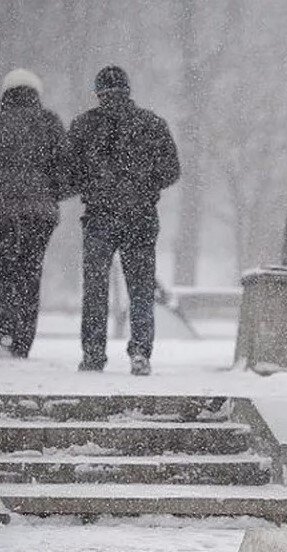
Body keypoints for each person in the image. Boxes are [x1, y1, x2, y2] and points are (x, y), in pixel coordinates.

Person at [67, 66, 180, 375]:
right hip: (140, 217)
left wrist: (93, 185)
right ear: (128, 90)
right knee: (141, 289)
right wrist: (144, 186)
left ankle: (93, 353)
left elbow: (68, 173)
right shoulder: (152, 125)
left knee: (95, 289)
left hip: (99, 217)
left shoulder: (83, 127)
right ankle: (140, 352)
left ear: (98, 92)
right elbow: (172, 170)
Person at [0, 69, 68, 358]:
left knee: (4, 268)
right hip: (40, 213)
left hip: (3, 210)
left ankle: (3, 325)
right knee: (30, 271)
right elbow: (66, 169)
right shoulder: (49, 122)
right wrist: (51, 195)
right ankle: (23, 340)